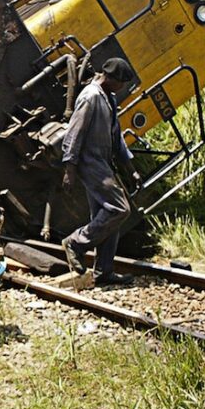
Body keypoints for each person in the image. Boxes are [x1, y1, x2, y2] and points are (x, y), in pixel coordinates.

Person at [60, 57, 143, 285]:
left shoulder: (109, 97)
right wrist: (69, 169)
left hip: (103, 163)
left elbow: (117, 138)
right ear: (110, 78)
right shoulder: (91, 97)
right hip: (91, 164)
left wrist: (131, 170)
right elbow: (73, 134)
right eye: (121, 82)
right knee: (120, 208)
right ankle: (75, 242)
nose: (122, 87)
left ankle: (104, 272)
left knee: (107, 218)